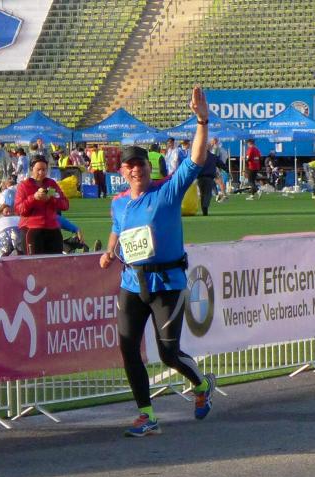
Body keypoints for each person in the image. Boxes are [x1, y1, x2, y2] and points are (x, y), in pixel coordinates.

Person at [99, 87, 216, 437]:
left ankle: (201, 385)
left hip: (167, 283)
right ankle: (146, 415)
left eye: (141, 164)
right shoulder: (119, 202)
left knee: (168, 354)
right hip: (131, 283)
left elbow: (196, 159)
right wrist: (109, 251)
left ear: (150, 167)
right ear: (122, 171)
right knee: (128, 348)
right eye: (130, 166)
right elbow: (118, 230)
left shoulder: (167, 190)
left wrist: (201, 121)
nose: (136, 170)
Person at [15, 154, 70, 255]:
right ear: (31, 169)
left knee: (56, 262)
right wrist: (34, 198)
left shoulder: (51, 184)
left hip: (53, 229)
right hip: (32, 229)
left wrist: (51, 199)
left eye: (44, 170)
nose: (41, 173)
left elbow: (65, 205)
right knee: (35, 262)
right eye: (38, 170)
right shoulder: (24, 186)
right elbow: (19, 210)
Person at [197, 150, 220, 215]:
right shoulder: (212, 157)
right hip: (209, 177)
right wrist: (226, 170)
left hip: (200, 178)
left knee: (202, 194)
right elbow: (220, 163)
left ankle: (204, 210)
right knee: (208, 194)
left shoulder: (199, 156)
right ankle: (205, 208)